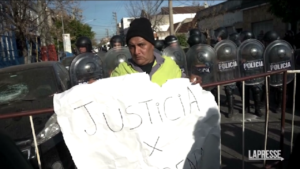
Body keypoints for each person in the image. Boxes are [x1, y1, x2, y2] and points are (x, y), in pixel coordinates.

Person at [110, 18, 195, 86]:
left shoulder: (169, 65)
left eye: (141, 45)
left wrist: (192, 81)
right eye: (132, 46)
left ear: (152, 45)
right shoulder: (121, 71)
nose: (136, 52)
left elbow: (185, 85)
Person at [236, 30, 263, 117]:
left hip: (255, 72)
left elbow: (262, 58)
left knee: (257, 90)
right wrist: (241, 61)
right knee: (244, 90)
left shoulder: (258, 47)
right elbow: (237, 60)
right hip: (244, 73)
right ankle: (246, 107)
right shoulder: (240, 48)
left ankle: (257, 109)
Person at [214, 27, 237, 118]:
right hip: (221, 70)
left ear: (221, 36)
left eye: (218, 36)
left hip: (229, 69)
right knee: (223, 89)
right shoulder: (218, 46)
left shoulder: (230, 45)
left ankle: (231, 110)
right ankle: (225, 103)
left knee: (229, 89)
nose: (217, 38)